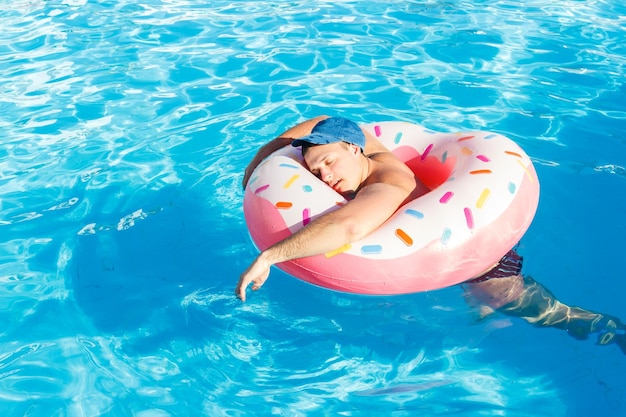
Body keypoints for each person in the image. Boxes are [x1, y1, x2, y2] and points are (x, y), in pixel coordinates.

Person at [237, 116, 626, 354]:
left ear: (353, 149)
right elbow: (319, 119)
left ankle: (607, 328)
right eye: (315, 171)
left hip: (484, 266)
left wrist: (269, 255)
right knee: (483, 314)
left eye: (328, 162)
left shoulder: (387, 182)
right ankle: (488, 315)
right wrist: (258, 164)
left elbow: (349, 226)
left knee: (537, 312)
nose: (325, 177)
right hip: (455, 242)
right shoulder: (367, 147)